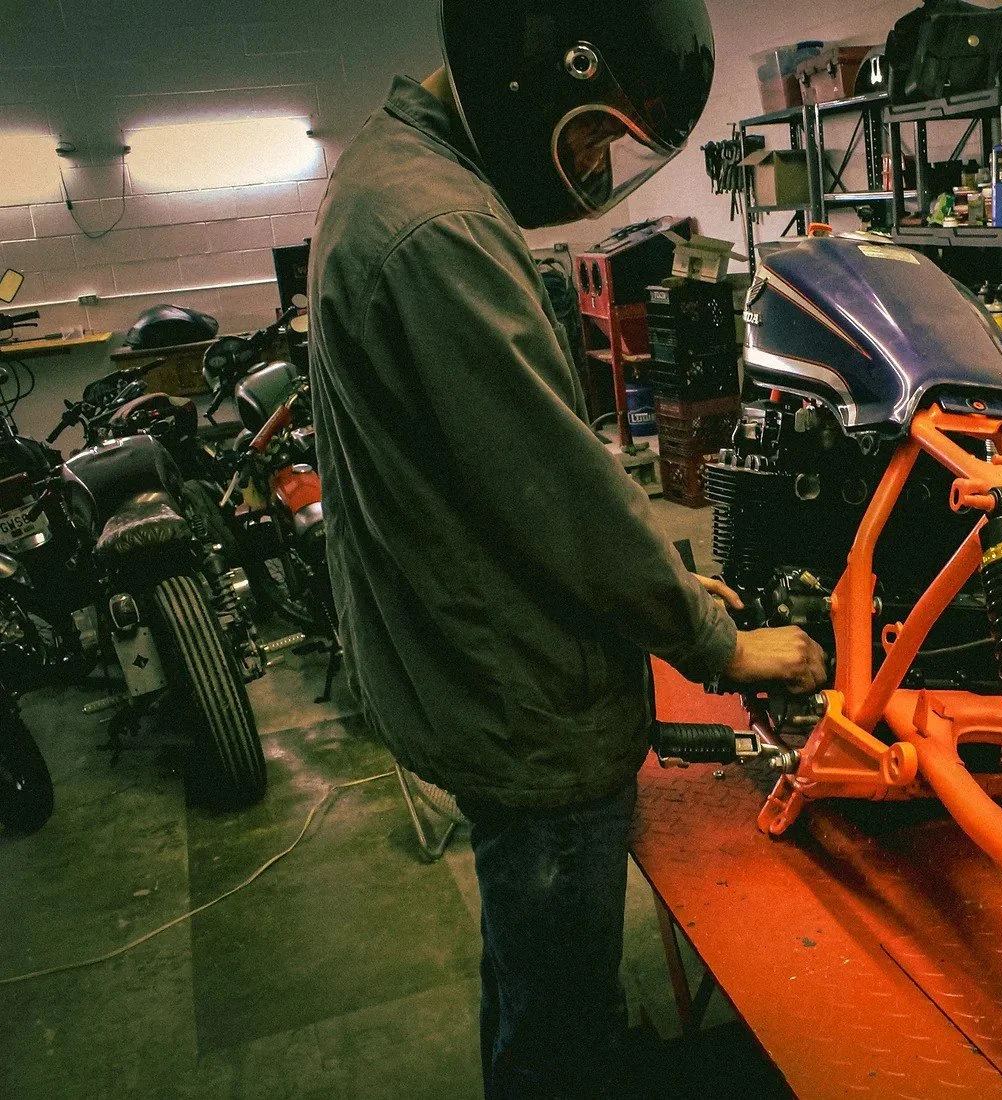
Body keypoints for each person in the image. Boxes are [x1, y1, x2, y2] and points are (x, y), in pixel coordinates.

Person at [306, 2, 826, 1096]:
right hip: (525, 702)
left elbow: (498, 466)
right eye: (593, 136)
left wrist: (665, 578)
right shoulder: (440, 229)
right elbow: (558, 488)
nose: (592, 167)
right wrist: (718, 643)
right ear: (541, 76)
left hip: (473, 663)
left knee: (528, 977)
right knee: (562, 1030)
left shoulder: (391, 174)